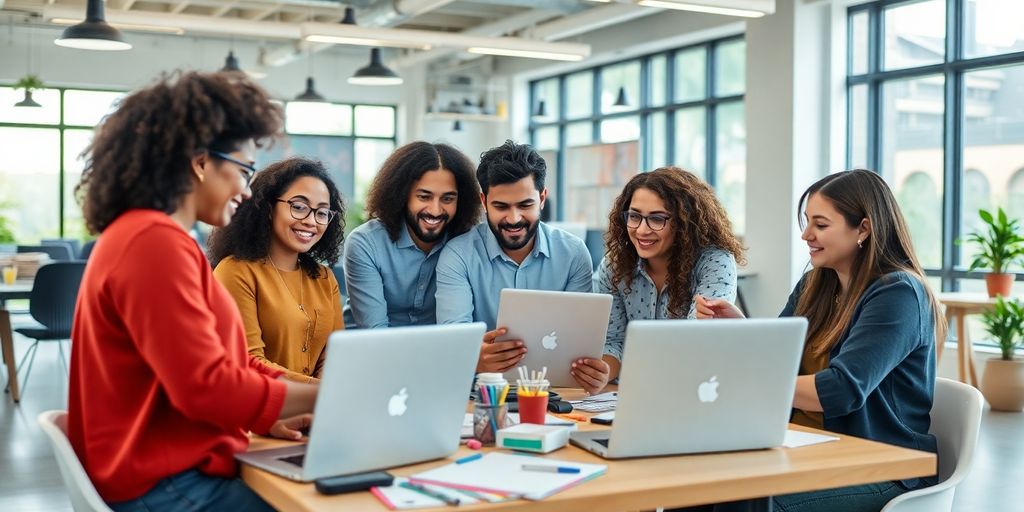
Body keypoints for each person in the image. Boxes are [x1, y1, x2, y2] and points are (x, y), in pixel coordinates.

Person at [68, 71, 317, 511]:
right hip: (166, 485)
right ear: (201, 162)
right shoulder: (152, 243)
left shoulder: (154, 238)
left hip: (167, 471)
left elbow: (225, 368)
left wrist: (271, 411)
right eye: (244, 170)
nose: (246, 188)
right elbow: (206, 388)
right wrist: (335, 393)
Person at [696, 169, 946, 512]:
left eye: (821, 225)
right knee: (697, 484)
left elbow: (841, 389)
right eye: (807, 222)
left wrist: (746, 384)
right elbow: (777, 355)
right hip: (810, 448)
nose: (806, 234)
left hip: (880, 466)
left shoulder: (898, 293)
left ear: (864, 228)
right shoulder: (817, 283)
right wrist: (739, 325)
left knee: (744, 500)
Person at [435, 140, 601, 392]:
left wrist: (592, 374)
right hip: (481, 392)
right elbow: (454, 341)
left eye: (525, 205)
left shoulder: (573, 253)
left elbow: (579, 342)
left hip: (556, 392)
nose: (513, 219)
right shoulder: (458, 255)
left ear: (542, 198)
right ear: (484, 201)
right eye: (501, 206)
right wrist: (473, 358)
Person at [597, 167, 745, 385]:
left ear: (684, 222)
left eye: (657, 219)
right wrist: (600, 373)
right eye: (634, 216)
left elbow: (696, 340)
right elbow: (613, 341)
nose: (641, 230)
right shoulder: (615, 265)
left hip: (692, 386)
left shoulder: (714, 261)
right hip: (631, 390)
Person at [207, 157, 346, 383]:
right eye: (299, 207)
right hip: (262, 410)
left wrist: (324, 401)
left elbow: (336, 353)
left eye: (322, 213)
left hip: (317, 410)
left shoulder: (323, 277)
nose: (311, 221)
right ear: (269, 209)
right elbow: (247, 361)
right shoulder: (235, 272)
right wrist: (321, 392)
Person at [343, 141, 481, 328]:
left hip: (434, 352)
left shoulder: (467, 244)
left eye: (447, 199)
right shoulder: (366, 243)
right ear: (402, 195)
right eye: (424, 197)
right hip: (369, 350)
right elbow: (375, 331)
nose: (435, 210)